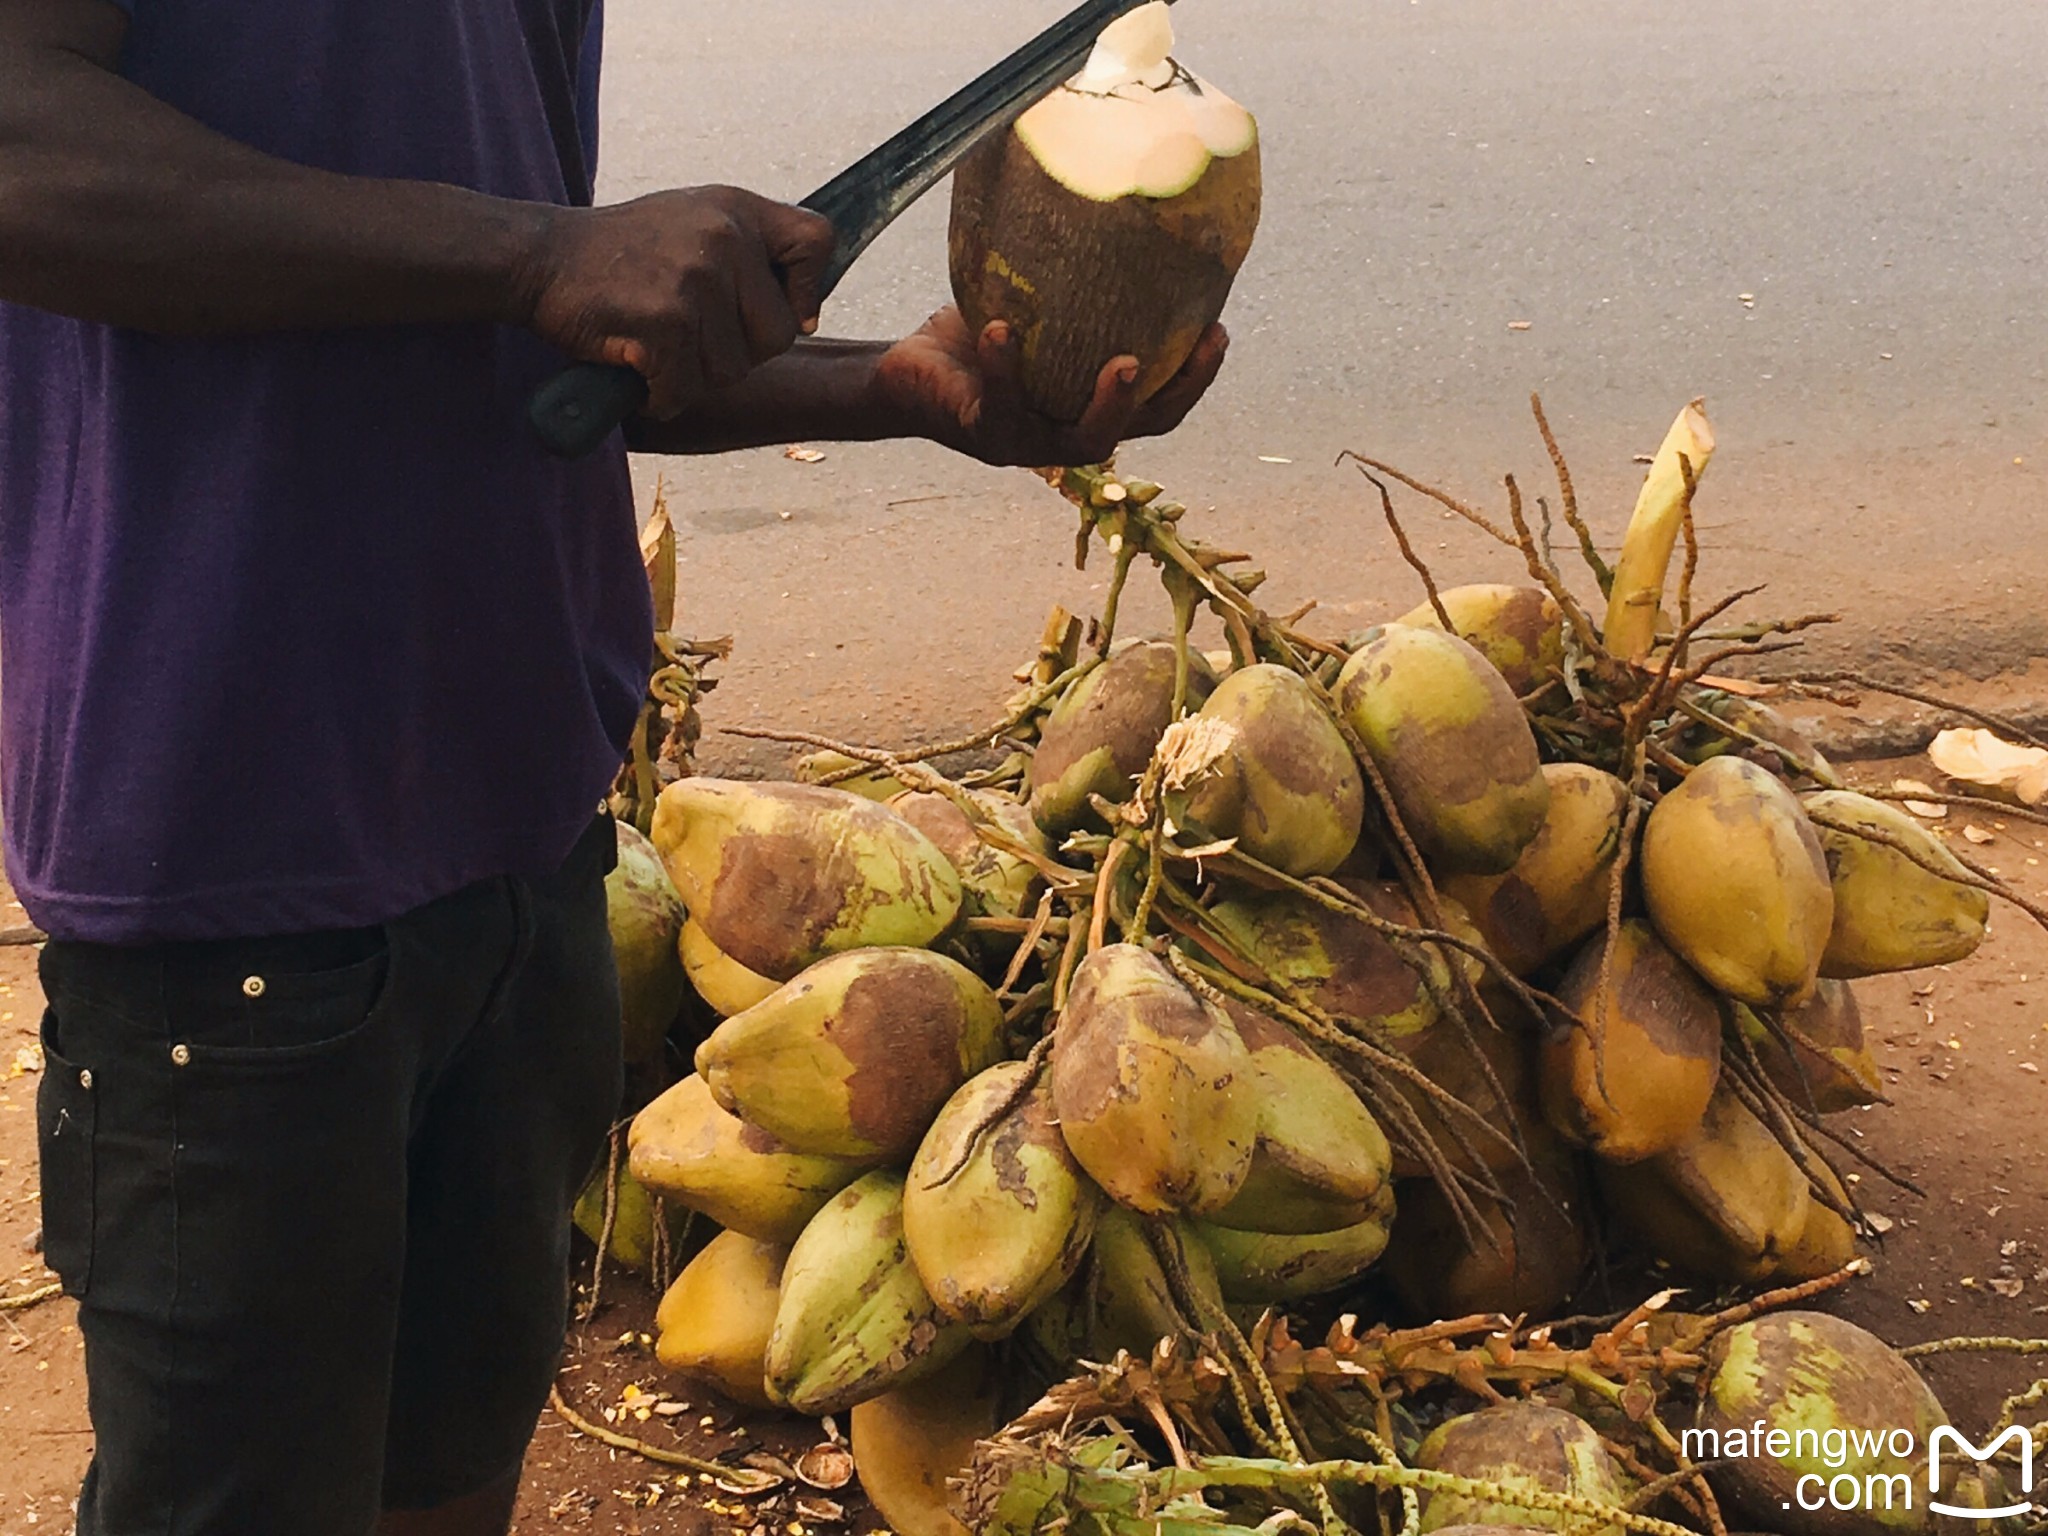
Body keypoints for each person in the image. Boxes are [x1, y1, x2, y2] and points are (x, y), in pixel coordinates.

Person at [0, 2, 1229, 1533]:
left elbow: (529, 355)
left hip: (524, 850)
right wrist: (533, 250)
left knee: (446, 1486)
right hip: (235, 852)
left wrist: (886, 389)